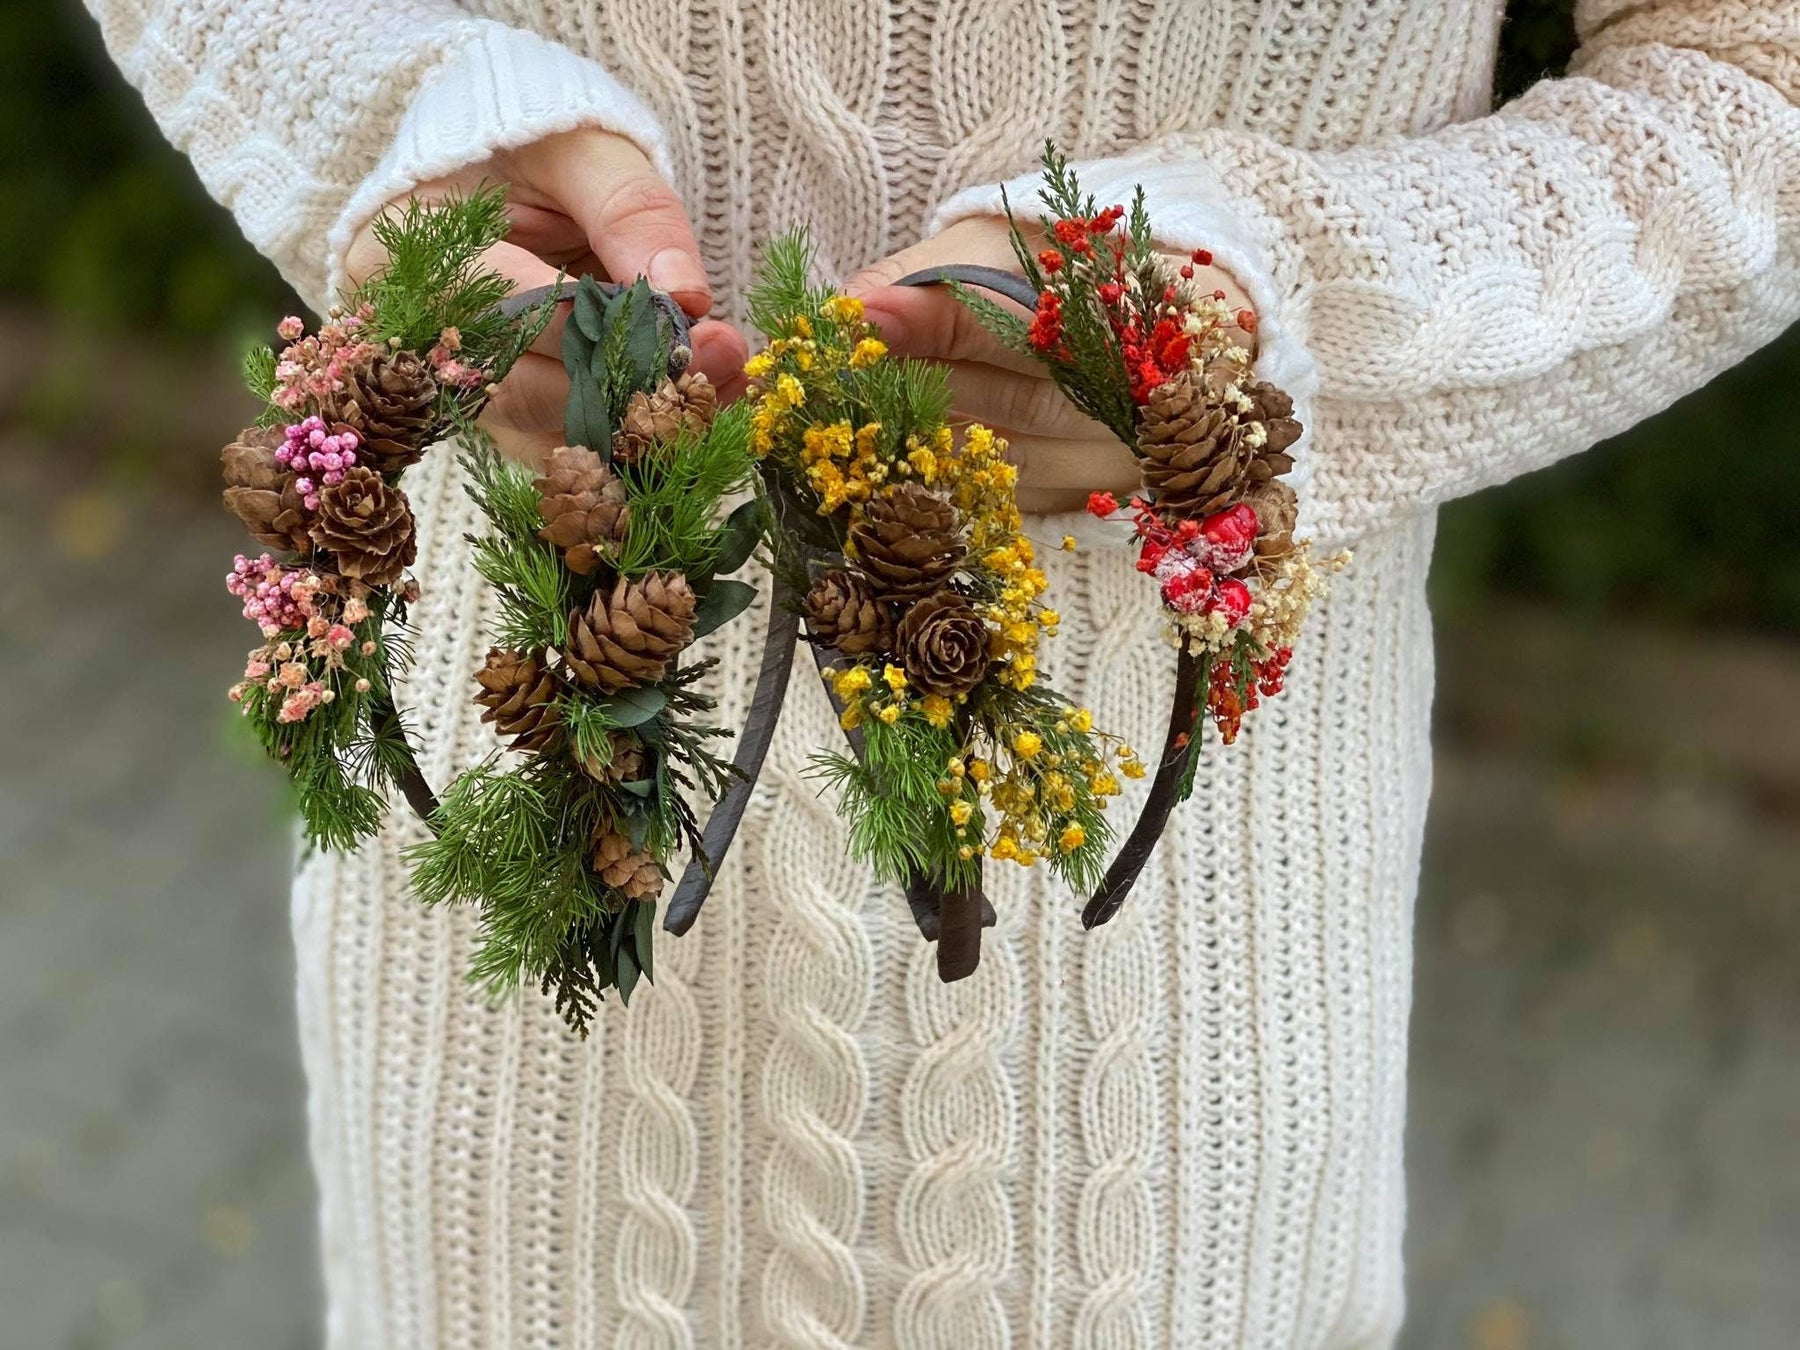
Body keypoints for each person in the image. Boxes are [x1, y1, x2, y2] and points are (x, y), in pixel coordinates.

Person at [89, 1, 1798, 1345]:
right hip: (516, 1043)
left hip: (1161, 1085)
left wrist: (1274, 301)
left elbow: (1755, 77)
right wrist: (404, 126)